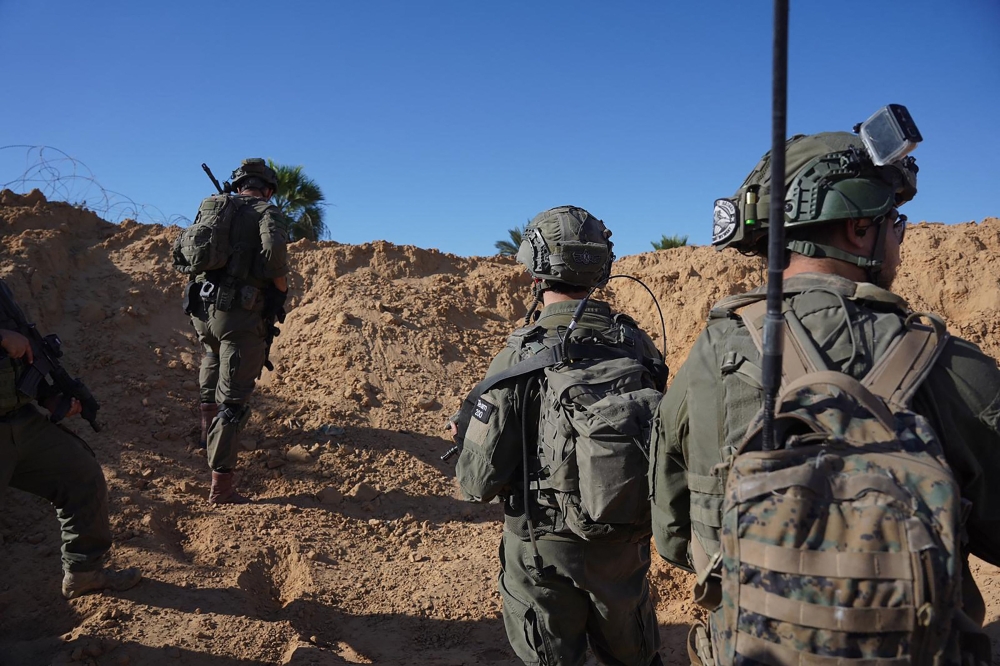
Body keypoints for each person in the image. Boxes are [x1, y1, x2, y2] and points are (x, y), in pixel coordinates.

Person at [650, 131, 1000, 663]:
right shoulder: (951, 364)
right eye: (894, 223)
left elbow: (675, 538)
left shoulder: (708, 355)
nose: (899, 240)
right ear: (861, 229)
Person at [452, 206, 665, 666]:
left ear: (535, 269)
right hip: (622, 542)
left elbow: (477, 483)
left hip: (542, 547)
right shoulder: (637, 344)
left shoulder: (518, 354)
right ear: (601, 268)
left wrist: (466, 437)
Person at [0, 279, 141, 599]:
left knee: (81, 474)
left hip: (20, 421)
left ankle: (84, 573)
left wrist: (49, 397)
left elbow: (18, 360)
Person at [187, 158, 288, 504]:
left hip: (202, 310)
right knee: (233, 402)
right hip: (239, 317)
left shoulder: (215, 206)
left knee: (211, 357)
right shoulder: (266, 212)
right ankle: (222, 488)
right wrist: (282, 288)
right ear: (268, 188)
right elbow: (275, 257)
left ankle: (205, 435)